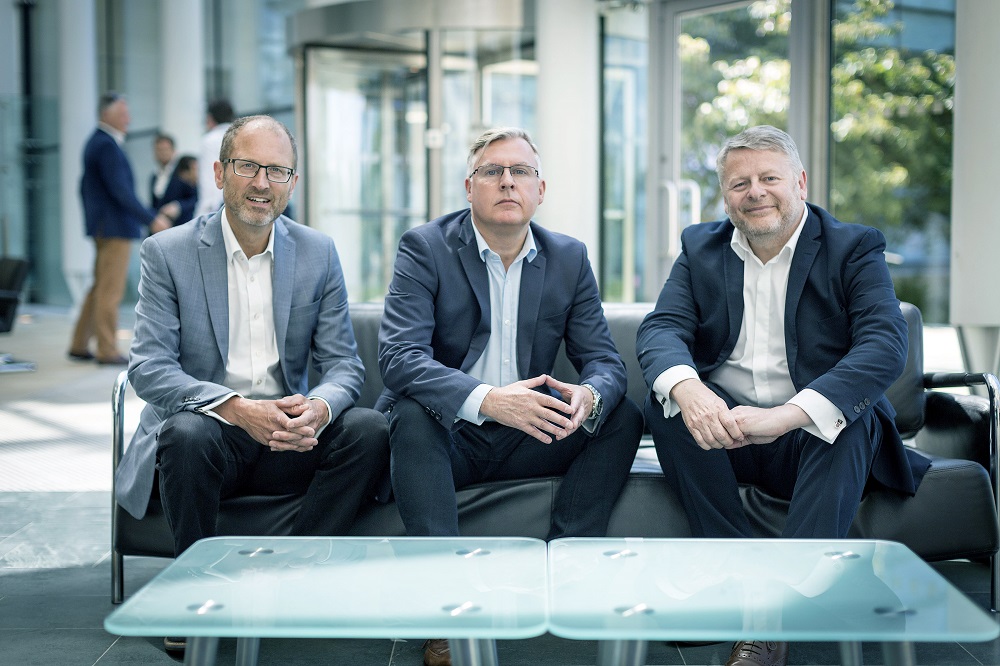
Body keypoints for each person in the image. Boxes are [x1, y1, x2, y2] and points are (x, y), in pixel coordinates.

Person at [636, 125, 930, 666]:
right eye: (739, 183)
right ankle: (733, 582)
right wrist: (692, 389)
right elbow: (661, 329)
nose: (756, 193)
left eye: (769, 178)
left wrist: (787, 416)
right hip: (726, 431)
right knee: (669, 400)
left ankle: (768, 622)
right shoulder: (699, 247)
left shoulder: (853, 246)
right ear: (725, 195)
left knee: (848, 418)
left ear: (800, 180)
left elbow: (885, 345)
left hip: (806, 437)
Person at [115, 116, 390, 653]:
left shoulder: (317, 252)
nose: (263, 182)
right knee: (185, 434)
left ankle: (295, 576)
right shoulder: (167, 252)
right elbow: (149, 368)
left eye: (278, 170)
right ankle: (194, 594)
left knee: (369, 428)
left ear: (292, 182)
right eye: (248, 166)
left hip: (289, 431)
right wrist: (236, 408)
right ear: (220, 173)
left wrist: (318, 408)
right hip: (212, 429)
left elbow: (344, 367)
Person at [377, 126, 643, 666]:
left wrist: (589, 395)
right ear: (468, 187)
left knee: (620, 415)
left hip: (530, 433)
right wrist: (487, 399)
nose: (506, 181)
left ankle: (566, 566)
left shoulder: (568, 257)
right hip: (447, 435)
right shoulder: (425, 247)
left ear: (539, 191)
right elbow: (399, 358)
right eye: (492, 171)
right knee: (408, 412)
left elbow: (606, 363)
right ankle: (445, 610)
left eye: (520, 171)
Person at [68, 92, 171, 365]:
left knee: (99, 286)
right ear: (107, 114)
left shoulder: (97, 143)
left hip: (105, 226)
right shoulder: (105, 145)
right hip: (113, 227)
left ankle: (79, 343)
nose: (129, 119)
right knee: (109, 290)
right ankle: (107, 348)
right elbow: (121, 191)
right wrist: (150, 218)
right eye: (123, 113)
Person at [194, 98, 235, 217]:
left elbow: (208, 181)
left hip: (215, 208)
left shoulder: (209, 140)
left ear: (210, 118)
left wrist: (203, 214)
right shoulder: (240, 137)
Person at [154, 154, 199, 226]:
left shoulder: (199, 185)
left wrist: (179, 206)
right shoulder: (176, 185)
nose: (198, 172)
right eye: (195, 169)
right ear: (184, 173)